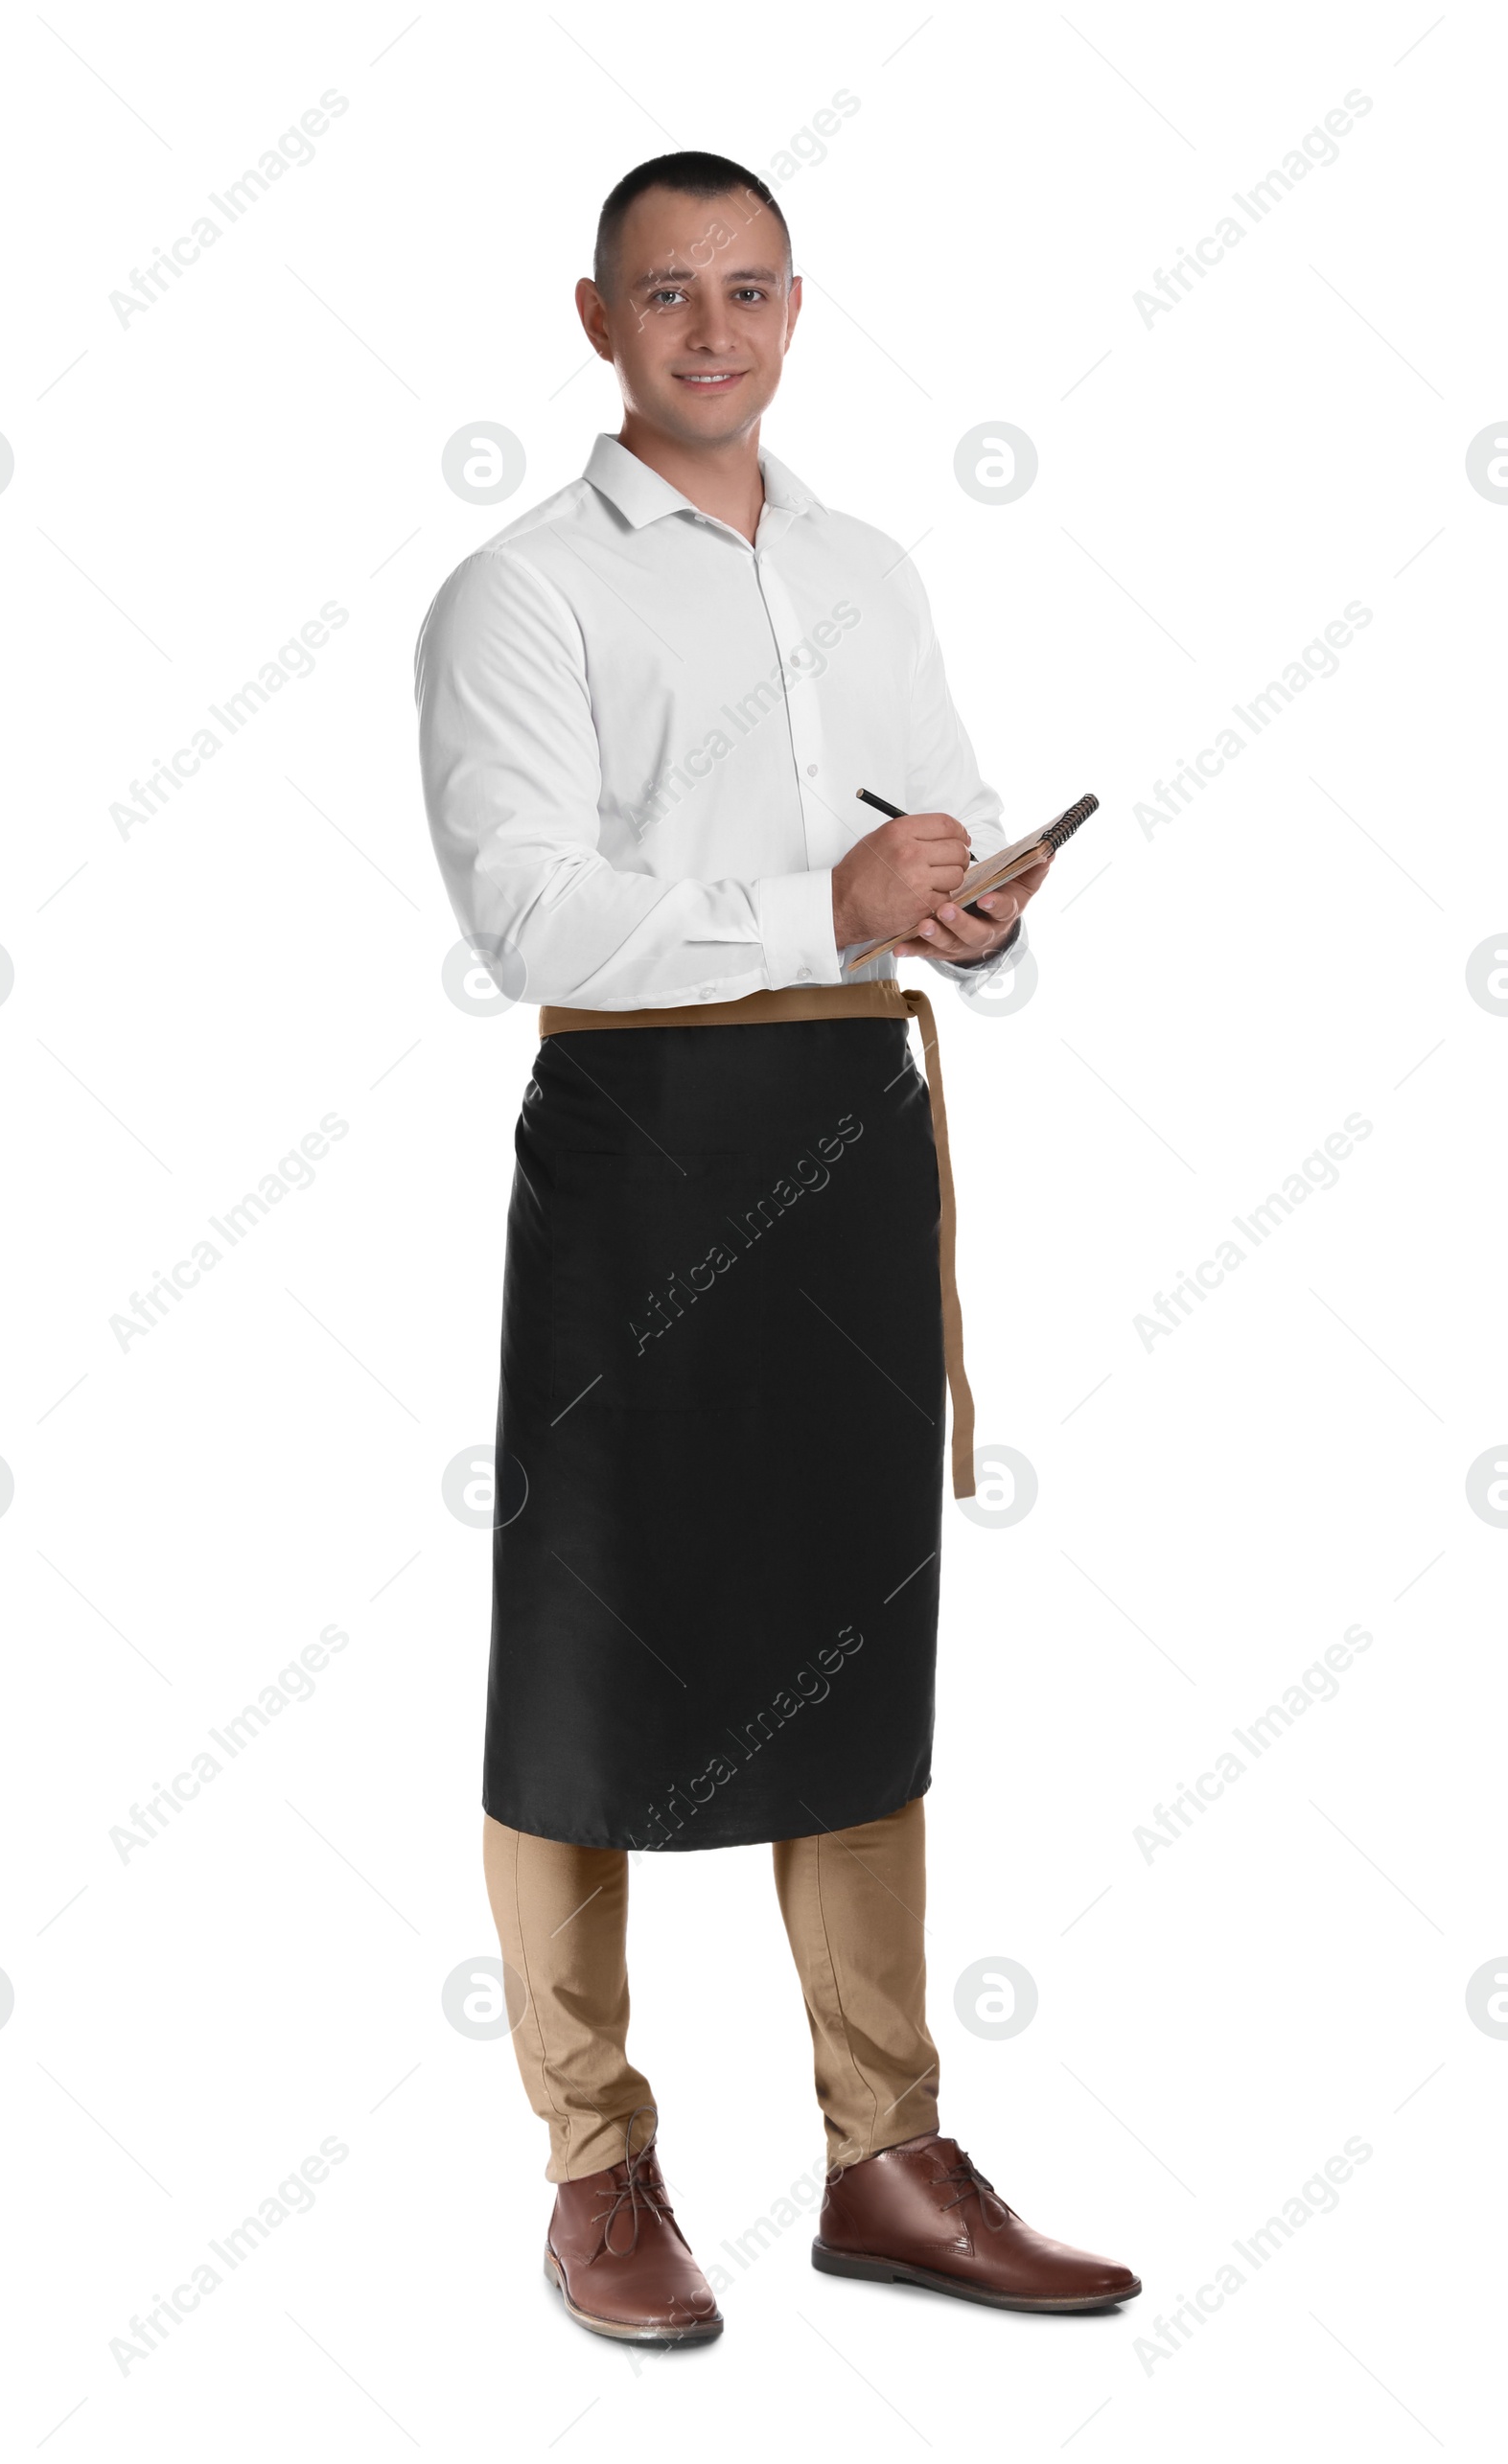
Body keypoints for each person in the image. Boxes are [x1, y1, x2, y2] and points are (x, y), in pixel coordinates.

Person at [414, 149, 1140, 2344]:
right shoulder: (519, 591)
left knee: (854, 1642)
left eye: (745, 291)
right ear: (594, 317)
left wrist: (972, 913)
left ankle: (883, 2154)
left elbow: (916, 838)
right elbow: (524, 912)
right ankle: (597, 2164)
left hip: (847, 1133)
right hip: (642, 1141)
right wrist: (808, 910)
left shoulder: (864, 570)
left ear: (797, 309)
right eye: (666, 294)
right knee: (582, 1659)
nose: (709, 331)